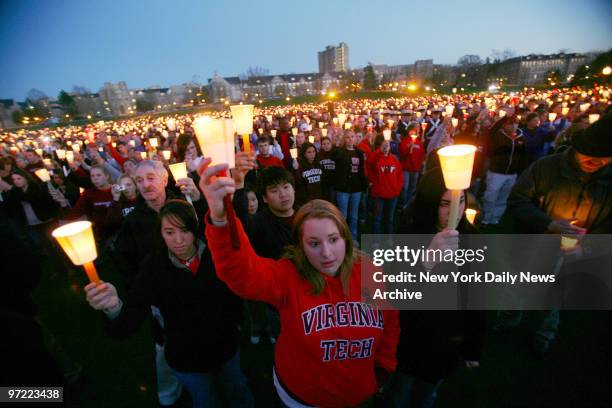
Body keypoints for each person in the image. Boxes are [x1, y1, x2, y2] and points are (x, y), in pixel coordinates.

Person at [200, 158, 399, 406]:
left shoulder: (371, 272)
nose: (326, 253)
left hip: (359, 394)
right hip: (301, 397)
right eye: (314, 244)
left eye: (333, 239)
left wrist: (382, 368)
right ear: (301, 247)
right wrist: (220, 218)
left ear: (346, 239)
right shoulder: (288, 276)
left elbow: (390, 321)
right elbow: (242, 273)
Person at [84, 200, 252, 408]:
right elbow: (130, 319)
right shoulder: (153, 268)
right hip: (186, 358)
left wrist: (237, 325)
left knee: (238, 391)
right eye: (170, 232)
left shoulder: (215, 255)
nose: (179, 240)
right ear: (160, 234)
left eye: (184, 230)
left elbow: (235, 295)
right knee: (205, 401)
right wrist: (113, 307)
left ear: (194, 228)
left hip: (225, 347)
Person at [499, 114, 612, 355]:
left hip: (575, 255)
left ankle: (544, 333)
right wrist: (549, 223)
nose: (594, 160)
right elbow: (518, 201)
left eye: (603, 156)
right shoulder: (545, 168)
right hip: (533, 245)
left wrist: (587, 247)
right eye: (589, 153)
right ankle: (509, 317)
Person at [391, 167, 485, 407]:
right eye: (445, 203)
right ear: (428, 203)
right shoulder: (409, 233)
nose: (455, 210)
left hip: (446, 342)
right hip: (410, 339)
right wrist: (427, 261)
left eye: (461, 200)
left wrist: (472, 347)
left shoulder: (472, 238)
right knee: (399, 393)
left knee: (426, 395)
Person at [114, 160, 204, 406]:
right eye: (139, 180)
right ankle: (168, 392)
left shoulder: (184, 205)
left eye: (151, 178)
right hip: (160, 298)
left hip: (195, 285)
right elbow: (124, 259)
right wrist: (141, 289)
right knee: (164, 347)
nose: (145, 185)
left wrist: (198, 200)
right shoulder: (134, 221)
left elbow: (206, 233)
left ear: (165, 179)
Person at [481, 116, 529, 225]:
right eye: (509, 124)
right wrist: (505, 117)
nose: (513, 126)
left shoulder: (521, 138)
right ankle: (486, 217)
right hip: (496, 172)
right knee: (490, 196)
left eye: (515, 123)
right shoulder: (497, 135)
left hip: (512, 174)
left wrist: (520, 171)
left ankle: (495, 217)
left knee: (503, 196)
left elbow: (523, 156)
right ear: (504, 125)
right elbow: (492, 130)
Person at [333, 131, 368, 243]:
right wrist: (337, 142)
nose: (350, 139)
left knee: (354, 216)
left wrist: (364, 186)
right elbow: (335, 157)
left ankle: (353, 238)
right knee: (343, 215)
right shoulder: (340, 151)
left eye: (352, 137)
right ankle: (343, 238)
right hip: (343, 189)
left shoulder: (359, 153)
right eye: (347, 137)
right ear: (344, 139)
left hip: (356, 188)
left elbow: (361, 171)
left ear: (355, 138)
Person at [369, 140, 404, 234]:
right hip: (379, 194)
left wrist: (397, 190)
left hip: (392, 195)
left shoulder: (395, 160)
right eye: (383, 146)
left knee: (389, 219)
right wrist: (379, 151)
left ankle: (388, 238)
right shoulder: (376, 158)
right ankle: (376, 241)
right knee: (377, 219)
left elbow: (400, 176)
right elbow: (370, 163)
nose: (385, 148)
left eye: (387, 146)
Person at [398, 124, 425, 209]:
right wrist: (408, 149)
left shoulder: (419, 142)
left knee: (412, 187)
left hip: (415, 169)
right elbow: (402, 153)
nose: (413, 132)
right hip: (406, 169)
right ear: (409, 131)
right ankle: (402, 204)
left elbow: (422, 155)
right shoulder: (405, 141)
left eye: (415, 130)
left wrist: (420, 165)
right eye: (412, 130)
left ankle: (408, 205)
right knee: (404, 188)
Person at [292, 142, 325, 207]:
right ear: (304, 154)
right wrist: (296, 170)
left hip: (319, 198)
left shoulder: (319, 164)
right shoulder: (300, 165)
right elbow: (298, 182)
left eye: (313, 151)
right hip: (306, 200)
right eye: (309, 152)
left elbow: (323, 182)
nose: (312, 154)